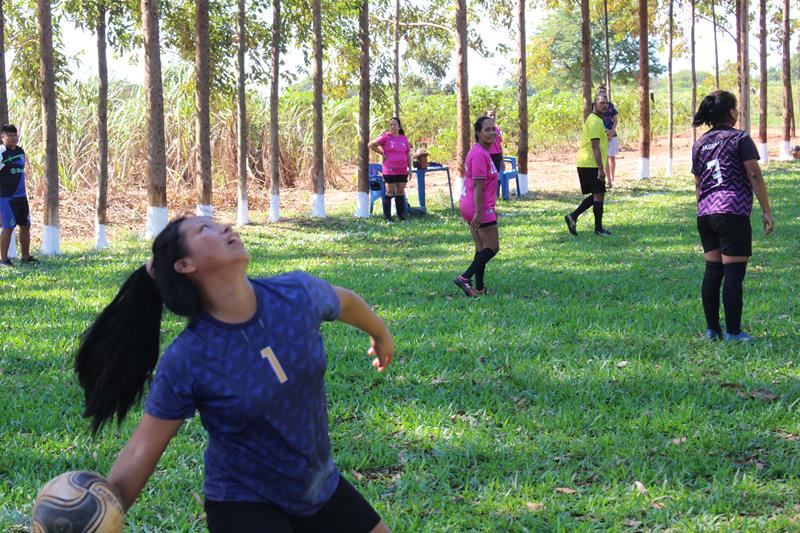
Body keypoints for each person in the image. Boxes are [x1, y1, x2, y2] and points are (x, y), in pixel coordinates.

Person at [73, 215, 395, 533]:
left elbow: (346, 302)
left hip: (318, 488)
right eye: (204, 229)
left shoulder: (296, 294)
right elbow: (142, 451)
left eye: (217, 222)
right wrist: (101, 512)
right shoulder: (189, 358)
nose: (224, 227)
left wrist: (381, 335)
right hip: (244, 502)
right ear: (185, 265)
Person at [691, 90, 774, 342]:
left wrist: (706, 207)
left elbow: (698, 184)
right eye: (735, 107)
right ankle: (734, 332)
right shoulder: (740, 139)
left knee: (713, 271)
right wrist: (766, 211)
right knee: (734, 273)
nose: (738, 111)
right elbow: (755, 175)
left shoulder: (700, 143)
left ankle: (712, 330)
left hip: (705, 213)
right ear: (730, 112)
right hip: (732, 211)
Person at [454, 116, 500, 297]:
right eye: (487, 130)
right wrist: (480, 212)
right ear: (478, 133)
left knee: (481, 248)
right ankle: (465, 278)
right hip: (478, 206)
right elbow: (478, 185)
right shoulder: (480, 154)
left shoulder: (480, 151)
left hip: (470, 204)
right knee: (492, 247)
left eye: (493, 129)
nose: (491, 133)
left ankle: (479, 288)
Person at [565, 93, 612, 236]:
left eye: (606, 103)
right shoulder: (594, 121)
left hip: (591, 163)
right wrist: (600, 169)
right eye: (601, 103)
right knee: (599, 194)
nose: (604, 105)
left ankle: (575, 217)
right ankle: (596, 228)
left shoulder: (598, 120)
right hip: (590, 164)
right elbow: (595, 146)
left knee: (599, 194)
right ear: (594, 104)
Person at [0, 124, 37, 266]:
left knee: (25, 225)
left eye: (15, 135)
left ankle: (26, 257)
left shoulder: (21, 151)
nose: (13, 138)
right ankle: (4, 260)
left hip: (21, 196)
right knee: (8, 227)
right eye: (9, 136)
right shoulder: (2, 153)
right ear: (2, 137)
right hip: (6, 198)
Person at [368, 118, 412, 222]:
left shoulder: (403, 138)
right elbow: (371, 145)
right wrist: (381, 153)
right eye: (391, 125)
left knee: (400, 191)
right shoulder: (385, 137)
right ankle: (387, 217)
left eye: (395, 125)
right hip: (390, 170)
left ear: (399, 127)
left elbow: (408, 154)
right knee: (389, 192)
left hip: (402, 170)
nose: (392, 126)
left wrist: (409, 169)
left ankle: (401, 216)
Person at [595, 86, 619, 186]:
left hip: (612, 135)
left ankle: (613, 179)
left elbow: (615, 120)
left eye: (604, 92)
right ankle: (608, 180)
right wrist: (606, 132)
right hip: (602, 135)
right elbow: (596, 121)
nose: (602, 93)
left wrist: (612, 132)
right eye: (600, 92)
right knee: (604, 158)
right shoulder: (594, 107)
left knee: (612, 157)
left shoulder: (611, 106)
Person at [486, 109, 505, 175]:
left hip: (497, 156)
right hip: (488, 156)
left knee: (496, 178)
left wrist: (502, 161)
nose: (492, 117)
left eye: (494, 115)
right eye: (490, 115)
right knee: (488, 178)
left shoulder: (497, 129)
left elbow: (499, 146)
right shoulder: (483, 129)